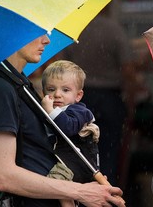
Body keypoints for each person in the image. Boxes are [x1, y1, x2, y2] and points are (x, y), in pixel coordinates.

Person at [0, 34, 125, 207]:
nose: (47, 40)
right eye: (37, 33)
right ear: (16, 33)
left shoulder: (18, 82)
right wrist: (79, 191)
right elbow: (4, 176)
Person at [59, 4, 136, 186]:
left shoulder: (77, 30)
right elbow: (128, 69)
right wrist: (131, 100)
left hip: (79, 98)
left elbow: (62, 65)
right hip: (110, 97)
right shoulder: (114, 29)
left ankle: (84, 193)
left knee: (80, 151)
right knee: (109, 151)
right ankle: (108, 192)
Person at [41, 60, 100, 207]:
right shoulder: (52, 111)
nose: (57, 95)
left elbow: (68, 128)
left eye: (65, 90)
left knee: (58, 181)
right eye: (51, 89)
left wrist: (50, 111)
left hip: (81, 163)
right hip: (64, 162)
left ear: (78, 95)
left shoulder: (80, 111)